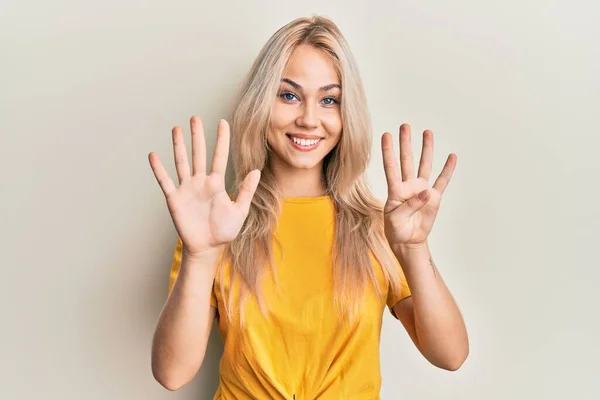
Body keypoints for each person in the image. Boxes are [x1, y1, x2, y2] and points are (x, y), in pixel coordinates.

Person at [148, 15, 469, 399]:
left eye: (329, 99)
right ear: (261, 103)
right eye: (289, 95)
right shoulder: (218, 224)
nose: (309, 119)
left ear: (345, 114)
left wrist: (414, 249)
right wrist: (200, 255)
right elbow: (172, 372)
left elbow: (451, 355)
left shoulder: (380, 226)